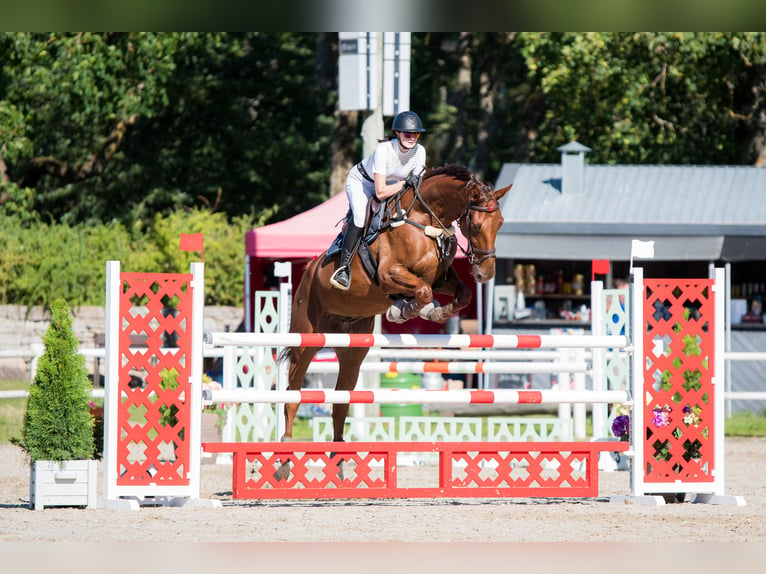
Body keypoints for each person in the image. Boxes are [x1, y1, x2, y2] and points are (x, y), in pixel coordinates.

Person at [329, 110, 428, 290]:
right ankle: (343, 268)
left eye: (416, 134)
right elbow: (381, 192)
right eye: (408, 133)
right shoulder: (383, 150)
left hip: (392, 183)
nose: (412, 138)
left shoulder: (420, 151)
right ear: (397, 133)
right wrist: (406, 183)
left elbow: (417, 185)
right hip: (362, 182)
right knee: (360, 217)